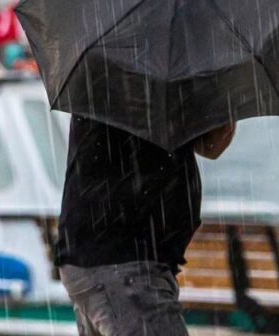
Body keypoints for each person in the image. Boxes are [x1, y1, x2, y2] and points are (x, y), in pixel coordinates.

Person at [55, 117, 236, 336]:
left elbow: (211, 146)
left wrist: (223, 109)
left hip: (119, 259)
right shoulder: (126, 98)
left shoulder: (167, 103)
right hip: (120, 259)